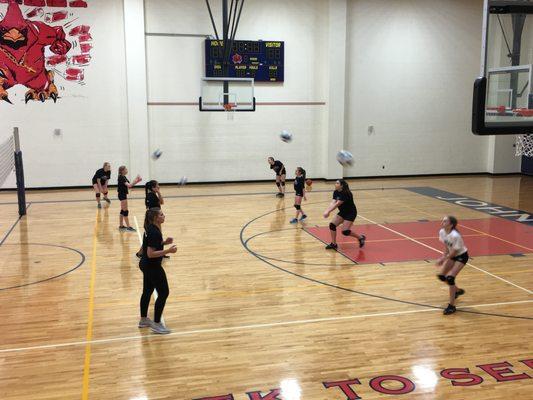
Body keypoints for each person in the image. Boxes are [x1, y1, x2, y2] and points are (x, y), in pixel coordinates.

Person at [138, 208, 177, 334]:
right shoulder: (154, 231)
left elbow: (152, 244)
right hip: (152, 266)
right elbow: (150, 253)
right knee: (164, 292)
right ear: (155, 218)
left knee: (147, 291)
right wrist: (168, 251)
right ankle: (156, 324)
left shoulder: (150, 228)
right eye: (161, 214)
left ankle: (144, 320)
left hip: (145, 264)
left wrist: (164, 242)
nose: (164, 216)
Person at [436, 216, 468, 315]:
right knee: (442, 276)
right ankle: (457, 291)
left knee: (450, 278)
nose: (443, 222)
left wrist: (443, 259)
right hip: (452, 256)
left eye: (445, 221)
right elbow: (446, 246)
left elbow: (454, 252)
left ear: (451, 224)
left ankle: (452, 306)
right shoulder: (442, 232)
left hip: (461, 256)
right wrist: (443, 256)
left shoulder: (455, 236)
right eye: (443, 220)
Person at [323, 179, 365, 250]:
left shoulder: (345, 193)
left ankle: (360, 238)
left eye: (337, 183)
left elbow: (337, 204)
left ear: (341, 186)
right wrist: (327, 210)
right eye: (335, 183)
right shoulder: (336, 192)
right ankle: (334, 244)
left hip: (350, 213)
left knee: (345, 231)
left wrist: (328, 212)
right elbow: (333, 202)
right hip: (343, 212)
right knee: (332, 225)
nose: (335, 184)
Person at [117, 166, 141, 231]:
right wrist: (137, 179)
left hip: (122, 195)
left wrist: (137, 180)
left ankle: (121, 226)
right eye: (126, 169)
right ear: (122, 171)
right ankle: (128, 227)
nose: (127, 170)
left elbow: (130, 185)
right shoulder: (121, 177)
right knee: (125, 211)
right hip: (122, 195)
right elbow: (129, 185)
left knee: (122, 210)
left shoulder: (123, 177)